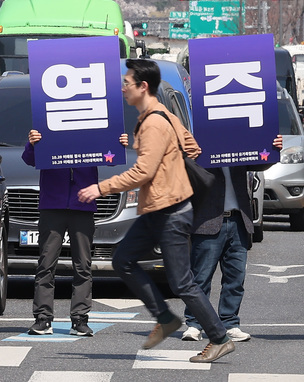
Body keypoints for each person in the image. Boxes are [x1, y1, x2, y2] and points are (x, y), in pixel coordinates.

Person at [78, 58, 234, 364]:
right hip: (157, 208)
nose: (123, 88)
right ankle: (165, 318)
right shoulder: (161, 114)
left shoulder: (153, 122)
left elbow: (142, 173)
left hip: (171, 212)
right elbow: (192, 147)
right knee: (123, 260)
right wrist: (165, 160)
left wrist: (101, 188)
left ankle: (219, 337)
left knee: (182, 283)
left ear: (143, 86)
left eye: (127, 83)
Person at [179, 134, 282, 344]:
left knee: (235, 279)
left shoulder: (238, 143)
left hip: (238, 220)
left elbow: (261, 161)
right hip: (208, 221)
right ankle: (194, 324)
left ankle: (230, 323)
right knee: (201, 278)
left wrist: (273, 148)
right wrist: (189, 155)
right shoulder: (198, 143)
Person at [24, 128, 116, 338]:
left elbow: (111, 158)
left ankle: (80, 319)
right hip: (52, 205)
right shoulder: (46, 126)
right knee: (46, 263)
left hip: (82, 205)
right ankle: (42, 318)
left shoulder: (91, 129)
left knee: (82, 264)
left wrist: (118, 142)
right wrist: (32, 143)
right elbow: (29, 159)